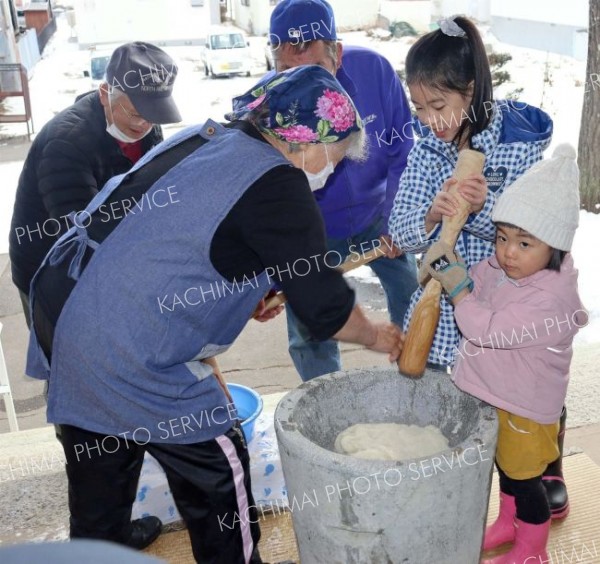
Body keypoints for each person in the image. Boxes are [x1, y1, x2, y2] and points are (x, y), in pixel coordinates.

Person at [24, 66, 404, 564]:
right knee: (220, 474)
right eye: (335, 156)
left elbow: (178, 241)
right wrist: (378, 335)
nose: (331, 170)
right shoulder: (280, 185)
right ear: (308, 141)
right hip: (128, 350)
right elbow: (325, 309)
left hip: (68, 317)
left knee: (100, 502)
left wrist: (246, 295)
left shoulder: (210, 139)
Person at [387, 15, 571, 517]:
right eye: (419, 107)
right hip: (448, 311)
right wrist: (434, 212)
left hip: (506, 303)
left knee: (521, 399)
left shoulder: (517, 148)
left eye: (439, 106)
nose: (429, 119)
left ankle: (541, 470)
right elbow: (402, 231)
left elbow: (534, 244)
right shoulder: (428, 153)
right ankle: (472, 496)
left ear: (470, 91)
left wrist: (486, 208)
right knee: (462, 403)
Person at [420, 144, 587, 564]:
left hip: (527, 408)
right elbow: (481, 276)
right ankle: (507, 523)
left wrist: (459, 292)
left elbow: (486, 329)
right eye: (502, 237)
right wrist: (456, 264)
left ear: (555, 248)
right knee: (506, 470)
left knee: (527, 480)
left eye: (524, 243)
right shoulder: (509, 268)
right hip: (502, 396)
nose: (508, 252)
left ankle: (533, 550)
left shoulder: (549, 300)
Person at [268, 0, 418, 381]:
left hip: (378, 214)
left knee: (412, 295)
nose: (301, 82)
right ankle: (324, 398)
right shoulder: (271, 99)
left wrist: (396, 217)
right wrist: (275, 274)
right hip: (314, 232)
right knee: (310, 326)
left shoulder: (375, 70)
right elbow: (268, 200)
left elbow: (402, 148)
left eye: (314, 68)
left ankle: (417, 372)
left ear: (336, 51)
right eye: (286, 70)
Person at [9, 41, 181, 324]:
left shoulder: (146, 127)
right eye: (136, 113)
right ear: (104, 94)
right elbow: (82, 238)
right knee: (68, 354)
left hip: (111, 256)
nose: (144, 124)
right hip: (51, 266)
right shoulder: (66, 143)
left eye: (153, 115)